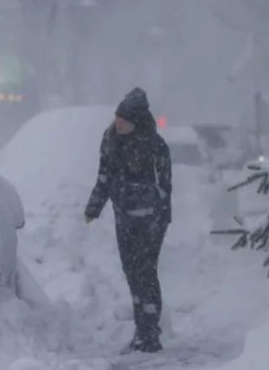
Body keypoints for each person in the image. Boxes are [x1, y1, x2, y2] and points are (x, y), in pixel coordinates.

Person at [85, 87, 172, 354]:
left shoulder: (155, 145)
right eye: (117, 116)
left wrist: (162, 215)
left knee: (146, 273)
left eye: (124, 118)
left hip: (150, 220)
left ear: (136, 121)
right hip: (124, 217)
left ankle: (149, 334)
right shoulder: (110, 140)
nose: (118, 121)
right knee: (132, 274)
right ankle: (142, 330)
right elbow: (104, 177)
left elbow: (166, 185)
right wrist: (94, 207)